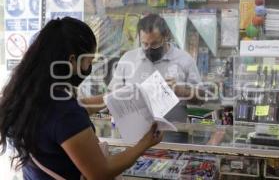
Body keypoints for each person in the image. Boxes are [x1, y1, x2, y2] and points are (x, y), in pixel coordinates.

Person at [0, 17, 163, 180]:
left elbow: (79, 106)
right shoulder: (64, 112)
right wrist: (144, 144)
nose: (89, 68)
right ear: (72, 60)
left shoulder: (28, 95)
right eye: (88, 61)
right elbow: (100, 172)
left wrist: (116, 96)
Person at [108, 14, 202, 122]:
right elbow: (113, 95)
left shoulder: (184, 59)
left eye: (155, 44)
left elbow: (201, 98)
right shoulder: (128, 59)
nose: (149, 49)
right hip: (136, 129)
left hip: (173, 131)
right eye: (145, 44)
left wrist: (180, 90)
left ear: (166, 36)